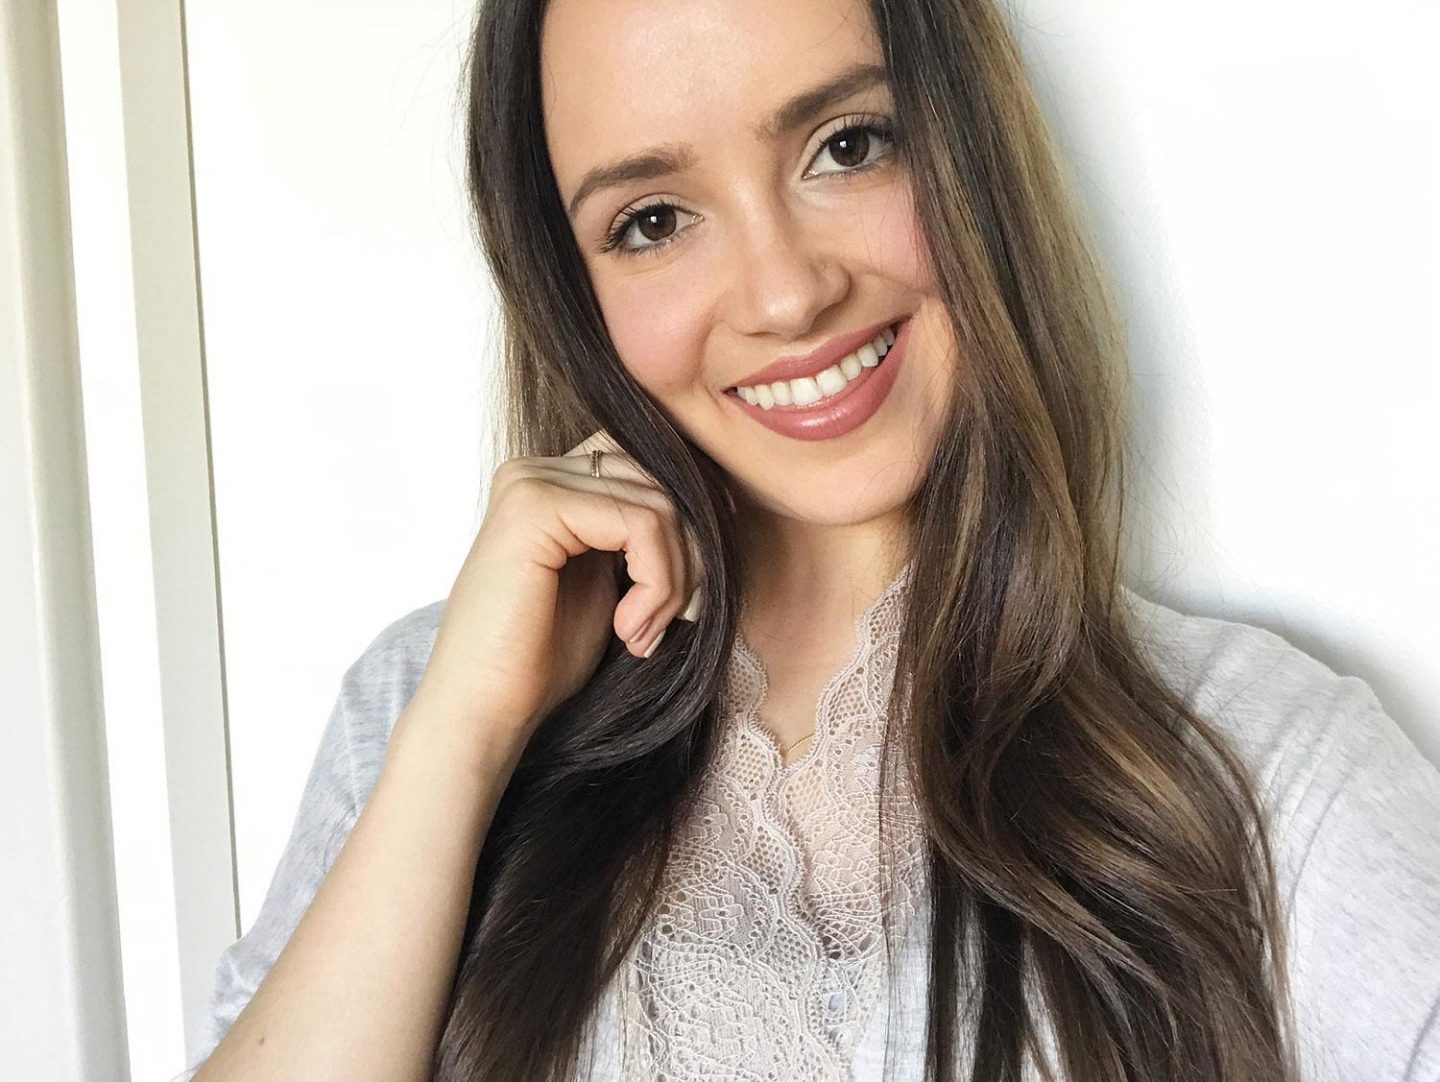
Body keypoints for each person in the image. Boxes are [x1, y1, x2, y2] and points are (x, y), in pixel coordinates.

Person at [180, 0, 1440, 1079]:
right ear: (574, 293)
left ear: (963, 148)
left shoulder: (1266, 769)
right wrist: (462, 736)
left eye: (848, 145)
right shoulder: (427, 706)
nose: (786, 294)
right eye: (653, 220)